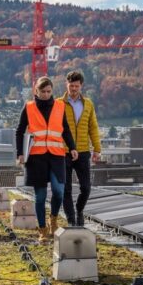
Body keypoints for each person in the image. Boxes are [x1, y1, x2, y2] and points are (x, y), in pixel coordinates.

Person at [16, 76, 78, 243]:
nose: (46, 94)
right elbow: (19, 131)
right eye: (42, 91)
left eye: (49, 91)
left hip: (57, 155)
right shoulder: (28, 107)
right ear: (36, 91)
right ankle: (42, 230)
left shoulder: (59, 106)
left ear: (52, 91)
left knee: (59, 190)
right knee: (41, 195)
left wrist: (72, 147)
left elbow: (65, 129)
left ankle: (54, 220)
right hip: (36, 157)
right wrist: (19, 153)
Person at [59, 70, 102, 227]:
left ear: (81, 86)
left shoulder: (88, 104)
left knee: (86, 187)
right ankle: (71, 221)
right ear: (66, 84)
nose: (74, 89)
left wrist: (97, 149)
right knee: (66, 189)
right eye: (71, 86)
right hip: (63, 151)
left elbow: (93, 128)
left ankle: (79, 210)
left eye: (76, 86)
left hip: (83, 150)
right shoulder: (59, 104)